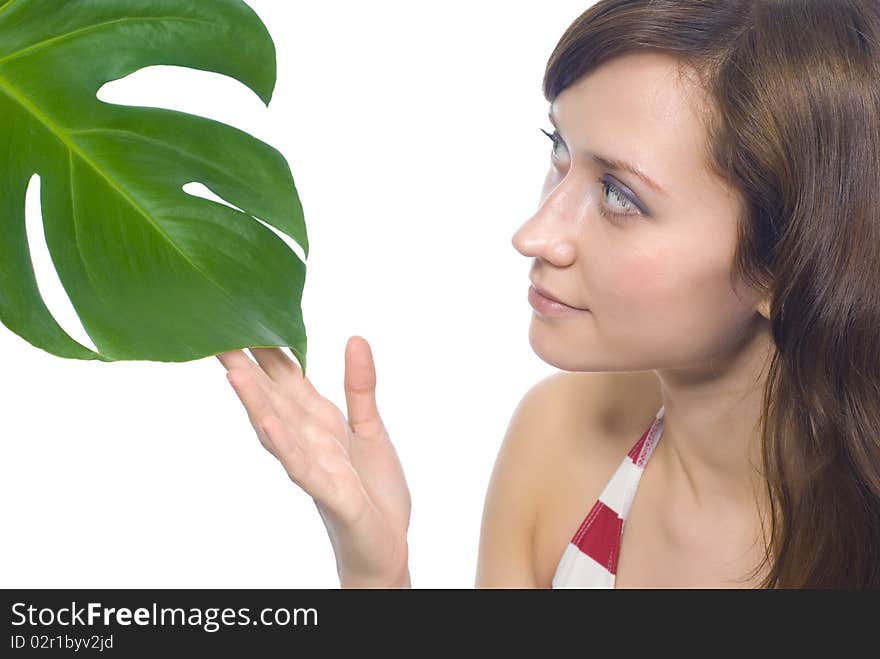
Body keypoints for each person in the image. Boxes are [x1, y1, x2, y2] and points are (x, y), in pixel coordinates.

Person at [215, 0, 880, 589]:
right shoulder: (557, 440)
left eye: (622, 196)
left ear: (783, 262)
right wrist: (377, 575)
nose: (535, 234)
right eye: (559, 151)